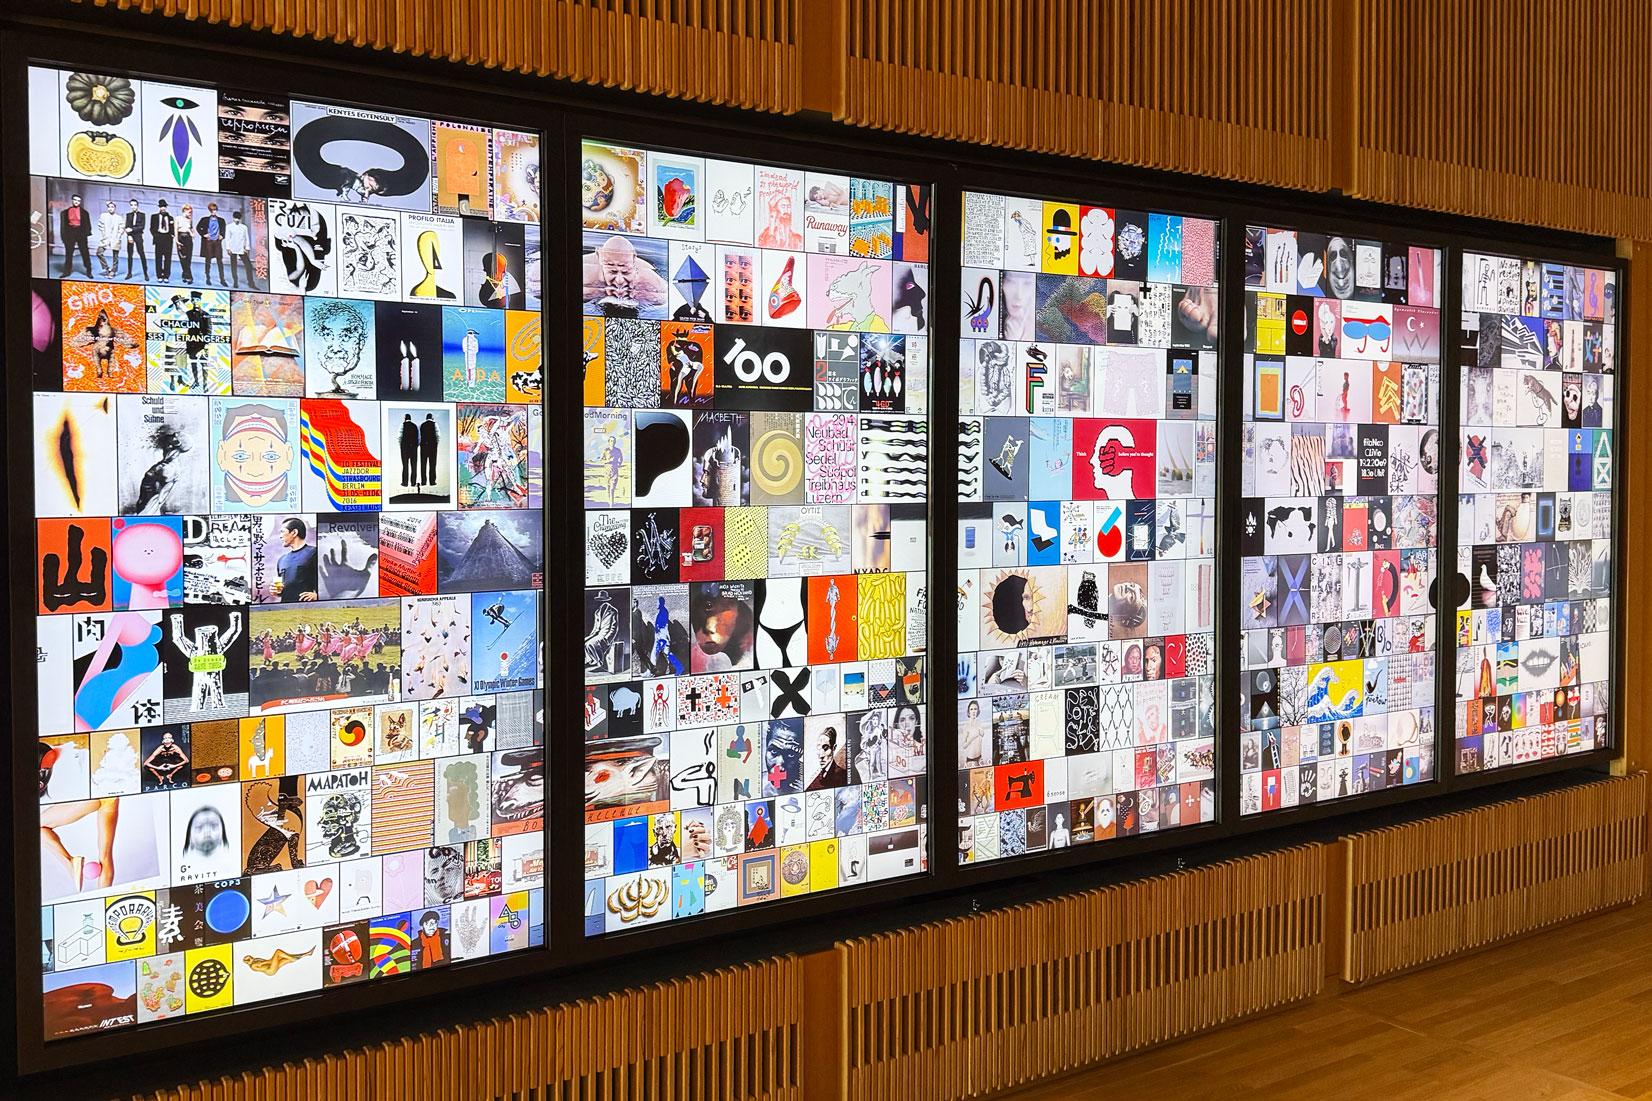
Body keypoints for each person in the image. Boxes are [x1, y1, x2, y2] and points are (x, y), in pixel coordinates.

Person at [277, 517, 318, 602]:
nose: (280, 536)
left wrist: (317, 595)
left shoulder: (314, 553)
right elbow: (282, 589)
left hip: (308, 607)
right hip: (284, 608)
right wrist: (276, 591)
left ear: (294, 532)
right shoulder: (282, 560)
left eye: (282, 532)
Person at [58, 193, 93, 276]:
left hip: (81, 232)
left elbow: (88, 225)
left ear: (80, 202)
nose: (77, 202)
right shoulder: (65, 212)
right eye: (75, 200)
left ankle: (89, 271)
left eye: (78, 201)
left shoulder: (85, 213)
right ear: (72, 201)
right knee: (69, 253)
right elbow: (63, 226)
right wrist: (63, 237)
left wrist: (85, 234)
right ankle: (67, 271)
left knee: (85, 252)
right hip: (70, 233)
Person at [197, 202, 227, 286]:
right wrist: (204, 234)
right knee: (208, 261)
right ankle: (208, 278)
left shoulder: (221, 220)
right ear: (210, 211)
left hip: (217, 242)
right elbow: (198, 227)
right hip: (208, 242)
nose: (214, 211)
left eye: (215, 210)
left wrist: (222, 235)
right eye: (212, 210)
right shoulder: (205, 219)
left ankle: (222, 279)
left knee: (219, 261)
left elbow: (224, 230)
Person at [95, 199, 123, 277]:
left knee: (115, 256)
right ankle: (107, 268)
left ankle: (113, 271)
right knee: (99, 253)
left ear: (115, 208)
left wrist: (118, 236)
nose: (110, 208)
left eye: (112, 207)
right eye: (109, 207)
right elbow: (100, 225)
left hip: (115, 238)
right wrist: (103, 233)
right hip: (106, 238)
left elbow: (121, 227)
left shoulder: (119, 217)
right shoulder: (103, 216)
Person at [149, 199, 176, 281]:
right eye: (161, 206)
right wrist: (156, 236)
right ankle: (159, 275)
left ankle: (166, 276)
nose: (163, 208)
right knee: (158, 258)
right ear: (159, 207)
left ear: (166, 207)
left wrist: (172, 235)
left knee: (168, 258)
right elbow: (152, 228)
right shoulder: (154, 217)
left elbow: (173, 228)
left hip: (168, 239)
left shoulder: (170, 217)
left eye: (164, 206)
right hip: (159, 238)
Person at [123, 197, 148, 279]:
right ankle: (129, 273)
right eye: (132, 205)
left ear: (137, 206)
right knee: (129, 255)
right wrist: (129, 236)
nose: (133, 206)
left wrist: (132, 229)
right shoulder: (128, 215)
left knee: (141, 254)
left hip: (138, 236)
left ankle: (145, 274)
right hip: (130, 236)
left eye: (135, 205)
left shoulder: (142, 215)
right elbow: (127, 226)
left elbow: (142, 227)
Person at [225, 209, 251, 288]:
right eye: (236, 218)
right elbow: (227, 238)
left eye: (238, 218)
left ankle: (251, 283)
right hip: (232, 249)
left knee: (248, 265)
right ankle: (235, 282)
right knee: (234, 266)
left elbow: (247, 238)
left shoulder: (244, 227)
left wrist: (247, 248)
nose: (237, 220)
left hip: (241, 249)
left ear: (240, 218)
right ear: (233, 218)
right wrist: (228, 248)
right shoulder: (229, 227)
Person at [175, 201, 196, 284]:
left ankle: (184, 275)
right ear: (184, 210)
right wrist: (176, 240)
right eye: (189, 212)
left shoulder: (190, 220)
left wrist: (193, 233)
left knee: (188, 258)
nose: (190, 214)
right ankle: (189, 276)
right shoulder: (177, 218)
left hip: (188, 239)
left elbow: (191, 228)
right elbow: (175, 230)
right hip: (181, 237)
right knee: (182, 258)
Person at [419, 412, 440, 488]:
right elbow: (438, 435)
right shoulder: (435, 424)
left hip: (423, 446)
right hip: (433, 446)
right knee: (433, 464)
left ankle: (423, 481)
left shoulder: (422, 425)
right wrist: (436, 443)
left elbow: (419, 436)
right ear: (432, 418)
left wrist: (420, 443)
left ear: (426, 418)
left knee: (423, 464)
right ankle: (432, 481)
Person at [399, 413, 419, 487]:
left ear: (405, 418)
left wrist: (401, 445)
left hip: (405, 448)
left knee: (405, 465)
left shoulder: (402, 425)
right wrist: (416, 445)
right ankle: (413, 483)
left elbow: (399, 436)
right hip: (413, 448)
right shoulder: (415, 426)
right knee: (414, 466)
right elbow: (419, 437)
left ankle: (405, 483)